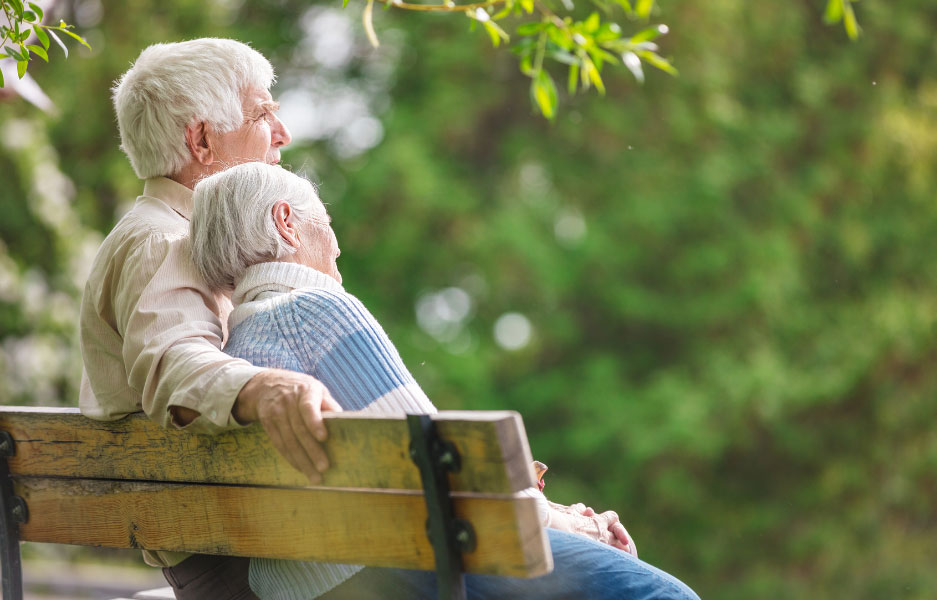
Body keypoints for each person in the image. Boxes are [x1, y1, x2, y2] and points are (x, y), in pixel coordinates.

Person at [189, 161, 700, 600]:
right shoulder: (315, 311)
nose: (338, 246)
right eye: (326, 223)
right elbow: (447, 476)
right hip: (393, 568)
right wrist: (576, 525)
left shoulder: (235, 352)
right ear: (287, 224)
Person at [78, 39, 341, 599]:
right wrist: (264, 385)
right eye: (262, 112)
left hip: (242, 536)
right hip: (238, 560)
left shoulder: (185, 237)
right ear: (201, 140)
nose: (283, 133)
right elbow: (174, 362)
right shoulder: (164, 240)